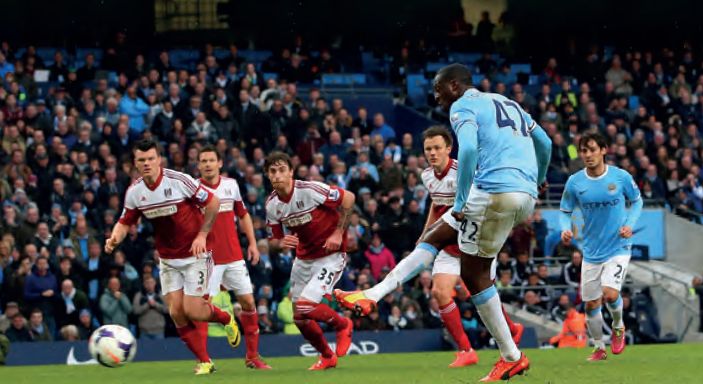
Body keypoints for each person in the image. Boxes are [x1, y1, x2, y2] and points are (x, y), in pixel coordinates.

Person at [335, 126, 525, 368]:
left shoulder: (464, 172)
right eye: (428, 149)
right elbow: (437, 205)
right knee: (439, 293)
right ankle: (465, 351)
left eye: (437, 148)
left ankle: (511, 329)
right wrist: (427, 234)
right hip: (446, 243)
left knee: (479, 296)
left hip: (476, 242)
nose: (433, 153)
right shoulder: (426, 176)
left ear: (449, 148)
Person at [436, 63, 551, 381]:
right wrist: (540, 179)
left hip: (495, 192)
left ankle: (511, 355)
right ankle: (510, 351)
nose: (436, 95)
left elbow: (469, 149)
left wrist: (460, 201)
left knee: (470, 272)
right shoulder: (508, 102)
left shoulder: (462, 106)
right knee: (477, 267)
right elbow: (546, 144)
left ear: (456, 86)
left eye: (439, 88)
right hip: (525, 196)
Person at [105, 139, 239, 375]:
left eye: (150, 159)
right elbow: (125, 222)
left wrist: (202, 235)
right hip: (168, 259)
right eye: (141, 160)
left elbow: (214, 202)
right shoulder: (135, 192)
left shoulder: (179, 181)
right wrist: (114, 238)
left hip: (196, 254)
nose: (147, 163)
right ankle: (205, 361)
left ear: (159, 160)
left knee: (194, 310)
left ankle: (226, 318)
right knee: (176, 312)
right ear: (135, 164)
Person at [264, 152, 354, 371]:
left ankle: (343, 324)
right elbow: (273, 241)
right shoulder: (271, 204)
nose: (277, 175)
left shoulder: (310, 189)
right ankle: (327, 356)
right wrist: (280, 241)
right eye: (272, 171)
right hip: (303, 259)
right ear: (268, 175)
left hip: (330, 256)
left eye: (282, 170)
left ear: (291, 172)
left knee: (306, 306)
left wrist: (338, 233)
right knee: (299, 318)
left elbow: (349, 198)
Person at [559, 131, 642, 362]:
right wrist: (564, 229)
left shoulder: (620, 176)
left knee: (610, 293)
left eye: (593, 149)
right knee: (591, 304)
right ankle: (598, 347)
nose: (588, 155)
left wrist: (629, 224)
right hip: (591, 251)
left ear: (604, 150)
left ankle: (618, 325)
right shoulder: (575, 182)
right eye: (584, 150)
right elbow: (565, 211)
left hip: (619, 246)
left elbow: (636, 201)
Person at [197, 146, 271, 370]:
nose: (208, 164)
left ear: (220, 163)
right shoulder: (194, 190)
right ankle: (204, 360)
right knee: (201, 308)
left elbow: (243, 214)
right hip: (207, 259)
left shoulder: (231, 185)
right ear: (199, 165)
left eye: (211, 160)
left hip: (234, 257)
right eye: (203, 161)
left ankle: (252, 357)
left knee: (248, 302)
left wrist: (252, 243)